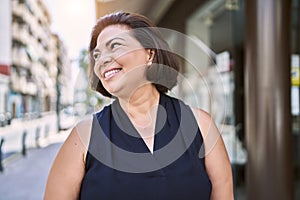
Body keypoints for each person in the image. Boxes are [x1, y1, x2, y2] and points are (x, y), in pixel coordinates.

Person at [44, 12, 233, 200]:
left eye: (115, 46)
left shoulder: (201, 124)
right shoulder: (83, 137)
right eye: (97, 55)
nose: (102, 60)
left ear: (149, 54)